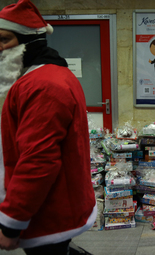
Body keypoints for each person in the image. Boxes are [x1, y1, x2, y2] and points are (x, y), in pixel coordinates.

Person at [0, 0, 97, 254]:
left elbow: (38, 160)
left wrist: (11, 224)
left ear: (28, 41)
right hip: (50, 203)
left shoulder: (43, 85)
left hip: (48, 210)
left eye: (4, 40)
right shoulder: (44, 75)